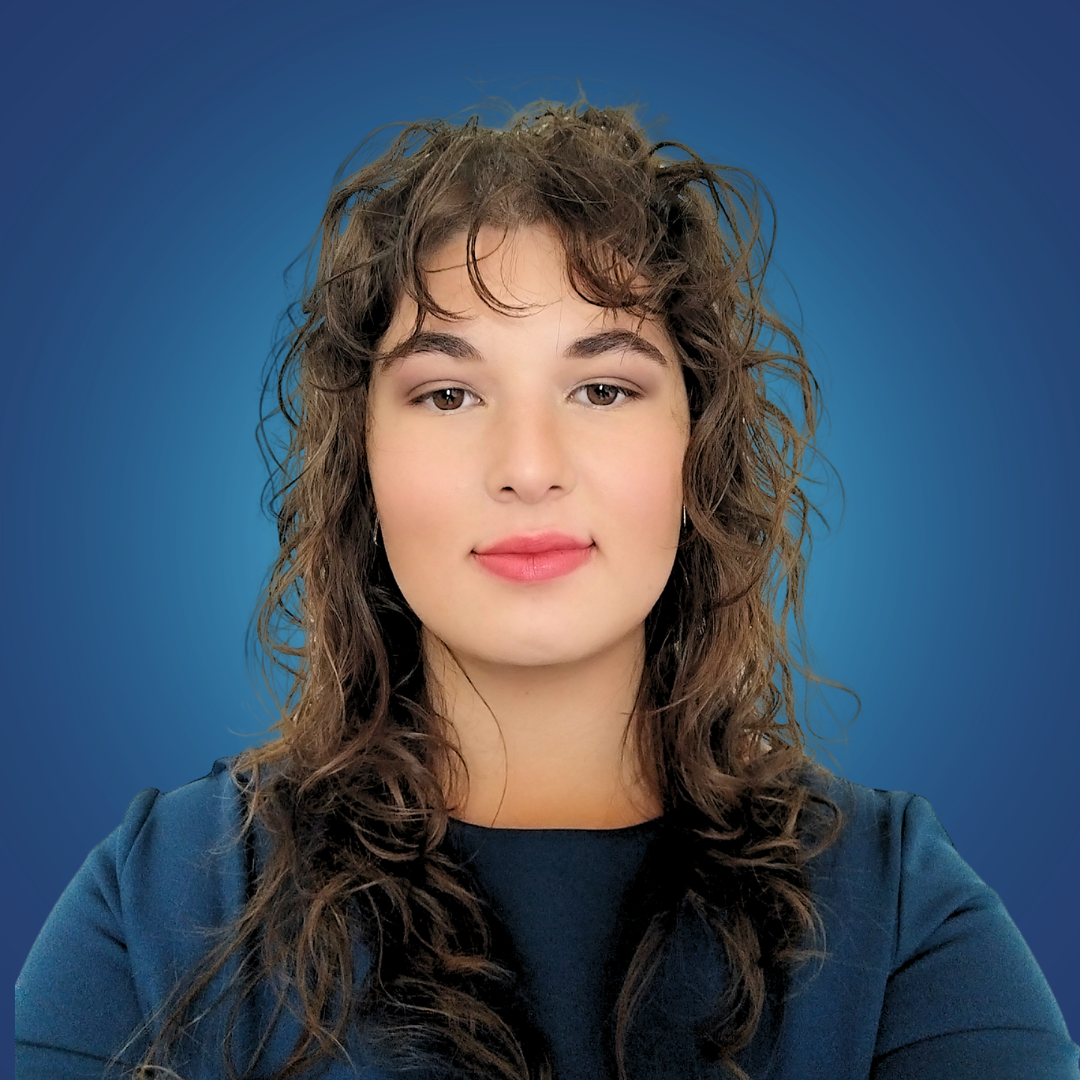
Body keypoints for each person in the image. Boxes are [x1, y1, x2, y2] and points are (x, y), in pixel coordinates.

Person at [15, 94, 1078, 1080]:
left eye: (604, 386)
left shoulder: (898, 915)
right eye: (447, 393)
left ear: (697, 450)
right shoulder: (160, 908)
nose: (528, 463)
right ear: (362, 466)